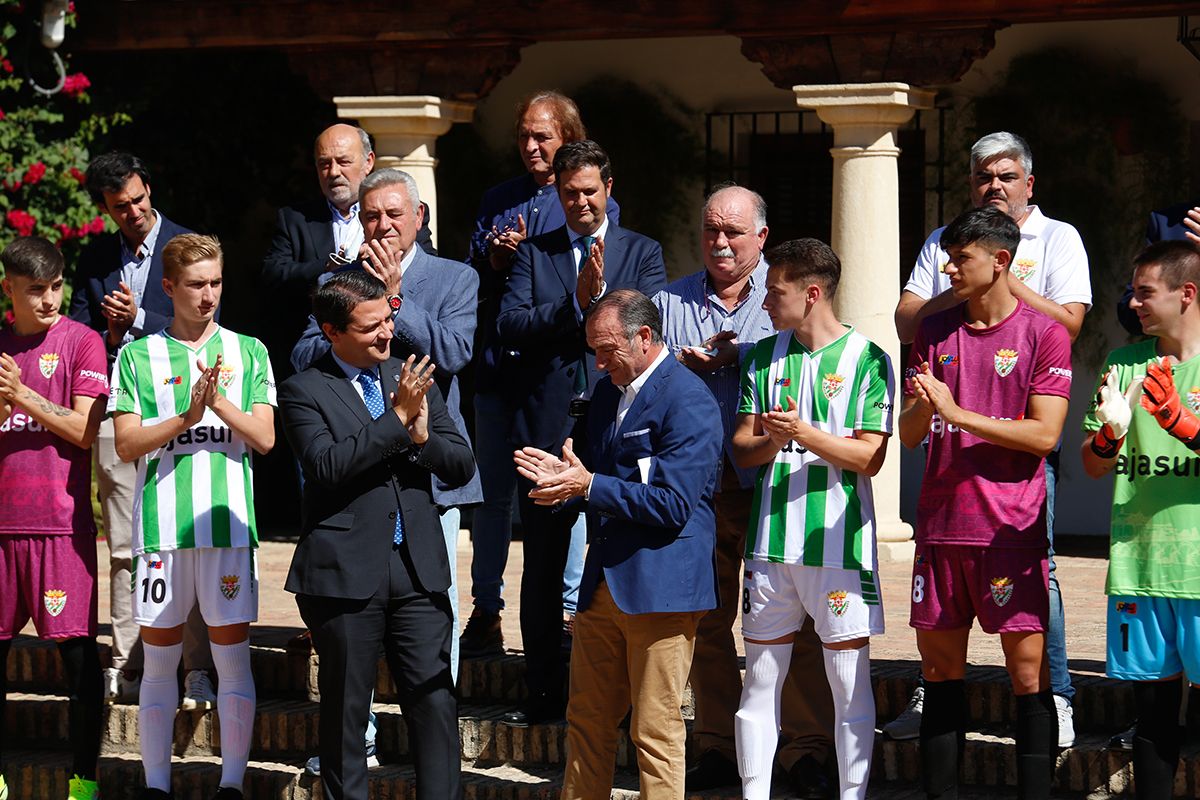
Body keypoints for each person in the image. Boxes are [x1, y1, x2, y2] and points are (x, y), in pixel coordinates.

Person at [891, 132, 1090, 746]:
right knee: (943, 621)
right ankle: (935, 687)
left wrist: (1002, 285)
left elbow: (1071, 322)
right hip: (949, 485)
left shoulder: (1058, 238)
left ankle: (1054, 693)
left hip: (1019, 452)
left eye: (1007, 175)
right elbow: (909, 317)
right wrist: (969, 278)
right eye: (984, 176)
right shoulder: (944, 242)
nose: (995, 185)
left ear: (1029, 182)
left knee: (1041, 565)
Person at [654, 186, 836, 797]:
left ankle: (805, 747)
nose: (721, 243)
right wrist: (677, 370)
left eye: (734, 231)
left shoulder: (787, 297)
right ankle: (715, 745)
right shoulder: (668, 302)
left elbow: (823, 358)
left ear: (761, 236)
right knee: (706, 618)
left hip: (776, 484)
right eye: (711, 230)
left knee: (797, 619)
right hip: (698, 484)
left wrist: (743, 356)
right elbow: (645, 382)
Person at [513, 289, 720, 799]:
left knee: (655, 729)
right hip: (603, 584)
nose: (599, 363)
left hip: (662, 586)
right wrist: (563, 482)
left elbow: (673, 505)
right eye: (594, 350)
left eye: (607, 350)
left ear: (645, 337)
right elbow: (591, 473)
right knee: (585, 719)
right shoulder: (607, 393)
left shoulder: (689, 399)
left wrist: (586, 485)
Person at [280, 271, 474, 800]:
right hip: (344, 575)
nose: (388, 333)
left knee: (435, 705)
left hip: (417, 568)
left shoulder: (410, 375)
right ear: (331, 331)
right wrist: (395, 422)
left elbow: (460, 465)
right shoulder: (303, 389)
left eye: (389, 318)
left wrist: (422, 436)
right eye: (371, 328)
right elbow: (325, 466)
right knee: (345, 713)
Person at [496, 139, 667, 726]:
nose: (580, 203)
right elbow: (511, 322)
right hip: (545, 428)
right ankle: (542, 692)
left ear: (608, 189)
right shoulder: (534, 254)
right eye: (569, 194)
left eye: (589, 191)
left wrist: (600, 307)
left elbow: (648, 323)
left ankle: (619, 698)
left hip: (617, 426)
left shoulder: (641, 251)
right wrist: (575, 305)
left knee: (618, 557)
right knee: (542, 566)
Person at [292, 168, 481, 683]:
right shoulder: (337, 283)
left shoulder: (455, 278)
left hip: (427, 467)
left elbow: (455, 353)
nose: (382, 225)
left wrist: (397, 300)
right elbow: (305, 353)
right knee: (357, 610)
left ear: (419, 217)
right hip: (356, 469)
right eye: (370, 215)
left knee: (436, 603)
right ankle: (366, 733)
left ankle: (438, 719)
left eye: (394, 214)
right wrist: (354, 319)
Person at [109, 234, 276, 800]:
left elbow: (266, 438)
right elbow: (128, 443)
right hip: (161, 529)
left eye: (216, 283)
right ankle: (157, 787)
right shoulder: (137, 356)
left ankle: (232, 784)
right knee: (160, 665)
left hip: (227, 528)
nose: (209, 296)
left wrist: (218, 404)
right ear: (169, 287)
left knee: (231, 659)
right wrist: (185, 417)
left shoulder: (248, 350)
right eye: (196, 285)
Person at [730, 238, 892, 800]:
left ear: (812, 292)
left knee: (848, 685)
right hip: (770, 547)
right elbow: (742, 449)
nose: (765, 300)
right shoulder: (761, 356)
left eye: (775, 291)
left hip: (839, 547)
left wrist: (804, 435)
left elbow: (871, 456)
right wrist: (772, 443)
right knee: (759, 683)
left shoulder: (868, 359)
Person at [462, 90, 617, 658]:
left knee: (563, 493)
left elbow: (598, 292)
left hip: (558, 384)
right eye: (524, 135)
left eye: (543, 136)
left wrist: (540, 271)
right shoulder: (497, 199)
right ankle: (485, 608)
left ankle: (574, 610)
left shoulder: (585, 199)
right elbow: (474, 275)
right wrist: (500, 258)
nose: (531, 146)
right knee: (493, 498)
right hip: (499, 370)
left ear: (569, 138)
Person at [69, 152, 216, 710]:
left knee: (191, 541)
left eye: (137, 199)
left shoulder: (190, 246)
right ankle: (128, 665)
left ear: (149, 188)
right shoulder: (97, 258)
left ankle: (197, 669)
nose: (132, 212)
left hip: (180, 407)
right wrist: (108, 330)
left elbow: (206, 323)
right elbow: (78, 333)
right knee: (126, 549)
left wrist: (141, 321)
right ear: (104, 209)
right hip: (117, 411)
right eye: (118, 206)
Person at [1081, 240, 1200, 799]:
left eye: (1145, 292)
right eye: (1133, 291)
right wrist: (1110, 433)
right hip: (1139, 568)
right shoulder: (1124, 363)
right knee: (1151, 719)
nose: (1133, 303)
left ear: (1187, 294)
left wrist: (1184, 424)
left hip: (1199, 572)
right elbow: (1092, 465)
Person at [0, 237, 109, 800]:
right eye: (35, 290)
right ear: (9, 290)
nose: (48, 300)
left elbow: (86, 430)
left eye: (56, 287)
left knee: (78, 662)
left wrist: (20, 396)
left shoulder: (81, 342)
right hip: (0, 532)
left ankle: (84, 782)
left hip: (61, 529)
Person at [260, 123, 435, 378]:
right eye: (324, 164)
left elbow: (428, 268)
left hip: (392, 358)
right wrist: (330, 269)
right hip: (322, 361)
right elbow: (272, 274)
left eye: (343, 161)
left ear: (368, 162)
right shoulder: (296, 218)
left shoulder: (402, 215)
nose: (333, 172)